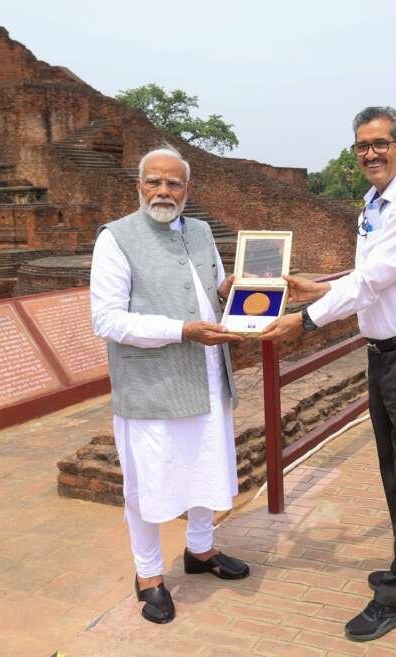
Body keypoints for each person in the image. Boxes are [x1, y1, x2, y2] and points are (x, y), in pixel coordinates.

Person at [258, 106, 396, 642]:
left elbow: (377, 277)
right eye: (362, 145)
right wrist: (324, 289)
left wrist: (307, 319)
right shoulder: (375, 200)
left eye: (381, 143)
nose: (371, 153)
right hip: (387, 350)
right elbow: (373, 273)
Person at [90, 145, 249, 625]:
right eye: (154, 182)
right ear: (139, 186)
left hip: (207, 375)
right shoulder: (116, 238)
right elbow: (107, 319)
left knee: (205, 468)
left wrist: (235, 290)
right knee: (147, 484)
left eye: (173, 183)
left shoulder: (200, 231)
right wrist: (181, 330)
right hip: (153, 385)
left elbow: (213, 288)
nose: (163, 191)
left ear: (187, 189)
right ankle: (148, 575)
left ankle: (200, 550)